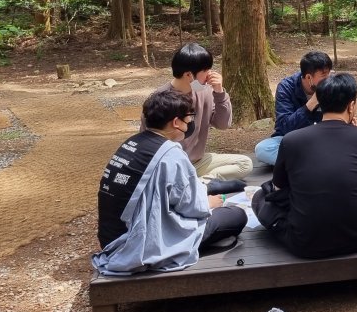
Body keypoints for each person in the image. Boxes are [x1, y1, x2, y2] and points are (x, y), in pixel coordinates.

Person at [94, 89, 246, 275]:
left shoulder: (131, 143)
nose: (190, 123)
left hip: (109, 238)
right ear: (176, 122)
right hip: (136, 244)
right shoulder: (170, 153)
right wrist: (209, 203)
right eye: (188, 118)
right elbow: (192, 208)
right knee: (236, 215)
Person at [252, 73, 357, 259]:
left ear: (320, 102)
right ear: (351, 105)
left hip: (304, 243)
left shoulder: (291, 140)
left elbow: (279, 189)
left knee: (259, 197)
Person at [151, 43, 251, 181]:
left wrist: (219, 92)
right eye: (206, 70)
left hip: (197, 162)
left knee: (244, 164)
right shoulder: (160, 100)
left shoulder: (205, 91)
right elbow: (148, 144)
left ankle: (202, 182)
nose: (210, 74)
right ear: (188, 75)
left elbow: (223, 124)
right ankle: (193, 183)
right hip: (170, 167)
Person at [253, 51, 333, 166]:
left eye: (328, 74)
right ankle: (317, 162)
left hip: (324, 139)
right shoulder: (286, 87)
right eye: (323, 75)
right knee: (263, 149)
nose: (328, 79)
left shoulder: (333, 86)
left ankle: (304, 163)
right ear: (309, 77)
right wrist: (310, 104)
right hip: (295, 140)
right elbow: (284, 126)